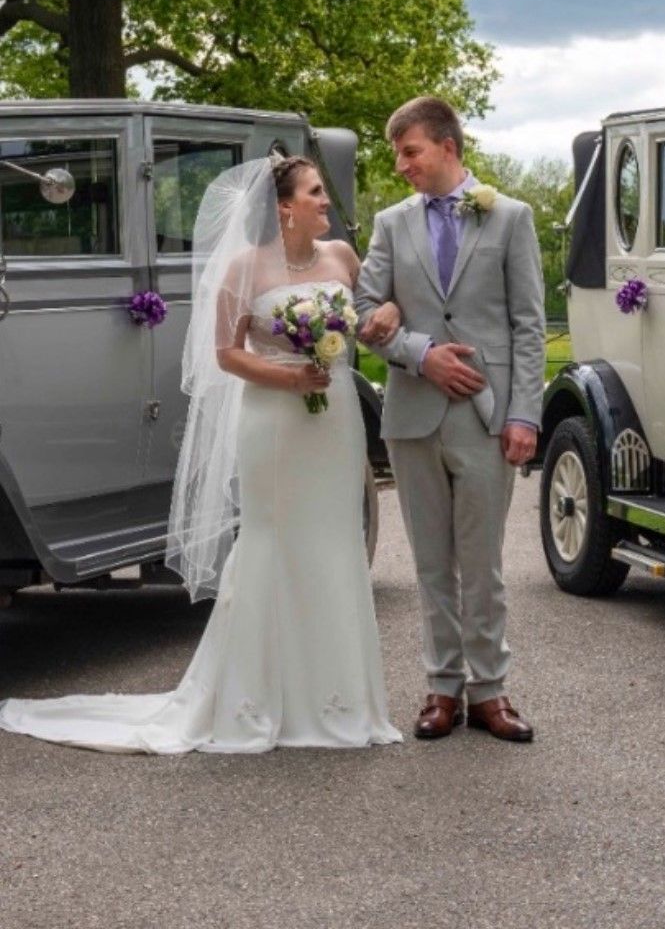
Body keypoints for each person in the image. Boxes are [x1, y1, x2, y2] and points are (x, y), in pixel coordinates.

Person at [0, 157, 402, 754]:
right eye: (316, 192)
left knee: (334, 540)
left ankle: (339, 698)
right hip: (274, 418)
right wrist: (289, 377)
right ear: (284, 207)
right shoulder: (244, 266)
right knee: (272, 539)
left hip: (334, 415)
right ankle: (256, 695)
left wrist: (388, 314)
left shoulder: (342, 256)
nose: (326, 201)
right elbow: (226, 353)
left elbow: (369, 317)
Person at [355, 97, 545, 742]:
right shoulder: (390, 223)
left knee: (483, 565)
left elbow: (528, 326)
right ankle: (442, 688)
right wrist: (420, 354)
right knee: (431, 565)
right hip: (412, 415)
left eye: (410, 152)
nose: (402, 165)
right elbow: (362, 311)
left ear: (447, 147)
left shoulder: (510, 217)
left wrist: (524, 415)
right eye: (398, 155)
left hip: (487, 416)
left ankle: (490, 690)